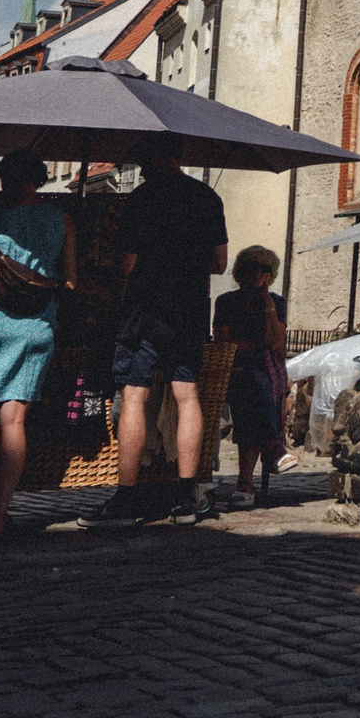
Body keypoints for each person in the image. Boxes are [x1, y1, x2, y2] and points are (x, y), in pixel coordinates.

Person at [81, 134, 227, 528]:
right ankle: (186, 497)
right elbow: (220, 262)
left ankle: (127, 498)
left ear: (158, 160)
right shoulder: (207, 198)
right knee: (187, 395)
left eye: (144, 162)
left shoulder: (142, 200)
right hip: (190, 311)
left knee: (133, 397)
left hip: (145, 311)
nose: (142, 170)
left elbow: (127, 264)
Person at [0, 151, 76, 540]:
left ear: (5, 179)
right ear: (38, 178)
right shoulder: (63, 219)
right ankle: (0, 514)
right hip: (37, 325)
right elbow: (71, 282)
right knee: (15, 419)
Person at [213, 246, 291, 509]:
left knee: (254, 389)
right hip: (233, 369)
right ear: (240, 272)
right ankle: (273, 445)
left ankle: (245, 484)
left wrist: (268, 306)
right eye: (251, 268)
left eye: (264, 269)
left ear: (271, 274)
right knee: (254, 383)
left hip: (263, 371)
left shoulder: (276, 303)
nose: (258, 274)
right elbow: (225, 342)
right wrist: (258, 346)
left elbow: (277, 345)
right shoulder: (226, 301)